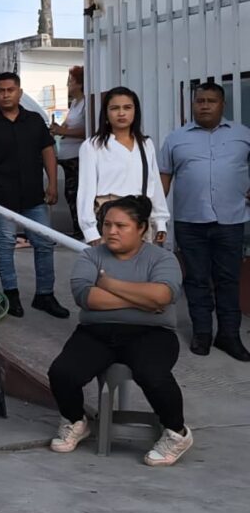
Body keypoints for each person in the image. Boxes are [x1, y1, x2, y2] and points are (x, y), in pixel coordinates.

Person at [47, 195, 193, 467]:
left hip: (152, 333)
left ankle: (177, 433)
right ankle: (76, 421)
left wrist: (108, 283)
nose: (111, 231)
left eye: (121, 226)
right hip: (96, 331)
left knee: (153, 375)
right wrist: (144, 301)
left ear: (141, 228)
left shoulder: (162, 258)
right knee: (62, 373)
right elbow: (87, 297)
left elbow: (162, 296)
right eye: (107, 224)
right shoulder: (90, 256)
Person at [160, 82, 250, 361]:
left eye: (211, 101)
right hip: (190, 221)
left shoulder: (243, 135)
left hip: (231, 220)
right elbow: (164, 177)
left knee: (228, 279)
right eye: (200, 101)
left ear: (222, 105)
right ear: (193, 104)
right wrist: (155, 216)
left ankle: (229, 335)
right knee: (197, 280)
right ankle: (202, 333)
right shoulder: (175, 139)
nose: (205, 105)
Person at [0, 71, 69, 319]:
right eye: (0, 91)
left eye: (10, 90)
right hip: (1, 197)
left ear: (19, 92)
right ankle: (10, 295)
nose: (5, 95)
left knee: (44, 243)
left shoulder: (34, 120)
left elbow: (48, 151)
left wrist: (52, 185)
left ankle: (44, 295)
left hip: (34, 197)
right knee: (5, 244)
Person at [76, 86, 169, 246]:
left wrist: (160, 221)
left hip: (140, 215)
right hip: (110, 215)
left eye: (127, 108)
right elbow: (86, 190)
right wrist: (90, 231)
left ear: (135, 111)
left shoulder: (146, 144)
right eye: (114, 108)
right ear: (106, 113)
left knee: (141, 261)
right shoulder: (93, 146)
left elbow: (155, 186)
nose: (121, 113)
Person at [50, 65, 87, 236]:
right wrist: (58, 128)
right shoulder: (74, 104)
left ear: (80, 84)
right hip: (66, 156)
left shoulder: (85, 103)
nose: (68, 85)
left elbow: (87, 130)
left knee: (75, 193)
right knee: (69, 193)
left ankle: (80, 230)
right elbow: (67, 126)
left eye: (71, 81)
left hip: (76, 157)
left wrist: (63, 131)